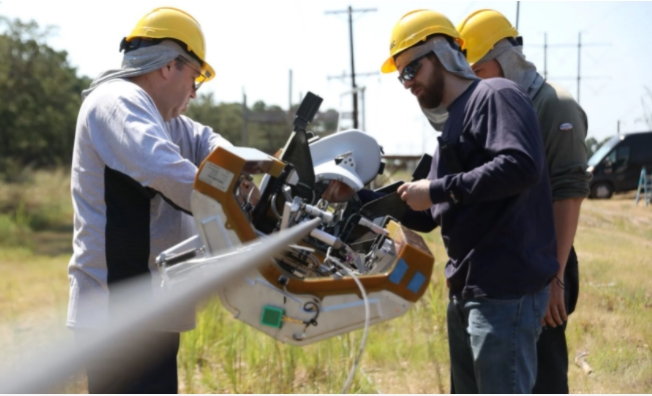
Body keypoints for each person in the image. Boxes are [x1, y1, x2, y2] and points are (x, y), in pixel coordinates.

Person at [381, 9, 559, 393]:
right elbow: (432, 213)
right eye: (401, 78)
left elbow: (521, 165)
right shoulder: (454, 122)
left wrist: (437, 189)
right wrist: (362, 197)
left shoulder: (497, 95)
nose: (407, 83)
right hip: (467, 292)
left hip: (504, 292)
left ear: (443, 53)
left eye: (412, 70)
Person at [67, 7, 232, 393]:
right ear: (168, 66)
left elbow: (207, 141)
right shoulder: (116, 99)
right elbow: (163, 169)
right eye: (195, 77)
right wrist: (234, 207)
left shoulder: (161, 117)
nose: (194, 91)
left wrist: (248, 171)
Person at [457, 9, 591, 393]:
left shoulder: (554, 104)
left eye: (479, 72)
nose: (473, 86)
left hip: (547, 260)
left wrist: (555, 278)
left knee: (544, 374)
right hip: (504, 264)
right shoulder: (493, 109)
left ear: (507, 60)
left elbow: (569, 193)